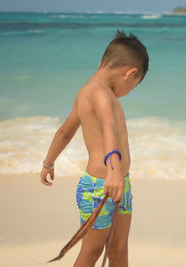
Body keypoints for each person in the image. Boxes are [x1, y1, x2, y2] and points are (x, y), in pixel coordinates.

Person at [40, 30, 149, 267]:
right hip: (101, 185)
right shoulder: (99, 94)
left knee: (118, 249)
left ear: (102, 63)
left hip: (120, 181)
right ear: (130, 73)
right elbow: (109, 129)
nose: (130, 90)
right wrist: (114, 169)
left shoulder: (90, 92)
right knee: (92, 251)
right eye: (134, 85)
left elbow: (65, 132)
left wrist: (48, 162)